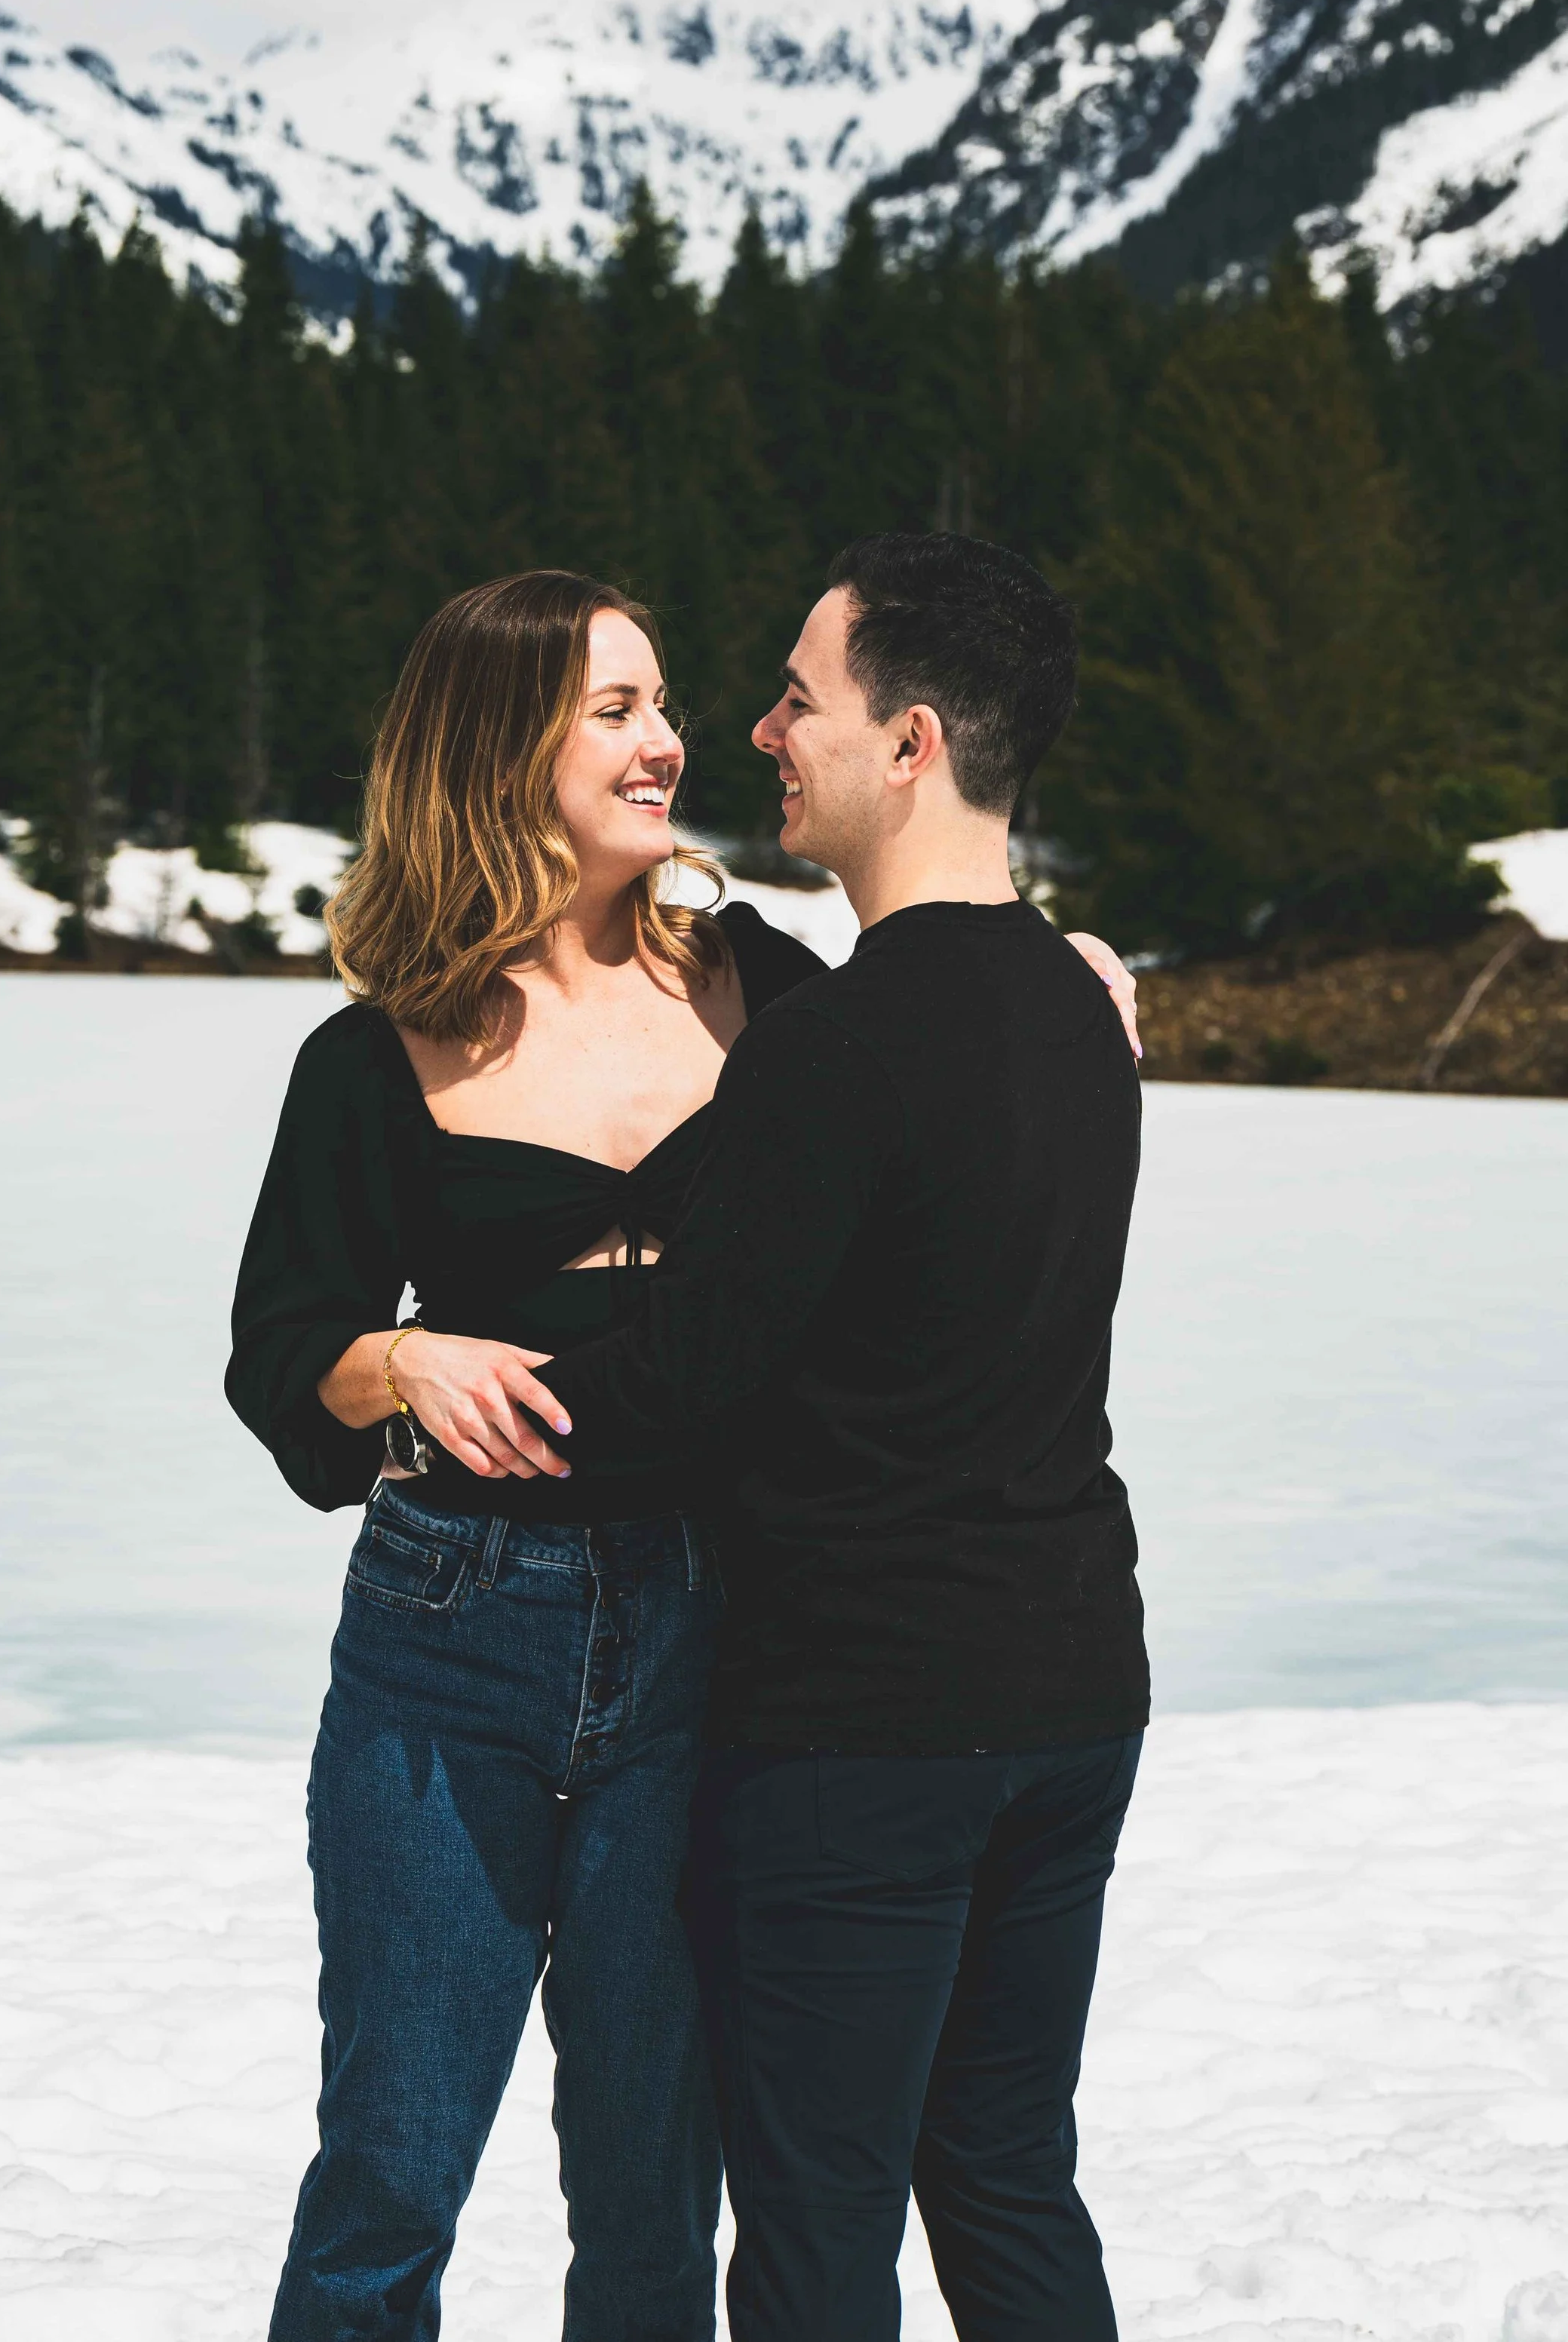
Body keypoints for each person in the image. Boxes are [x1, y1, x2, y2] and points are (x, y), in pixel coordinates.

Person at [225, 565, 1139, 2341]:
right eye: (618, 710)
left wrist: (1061, 971)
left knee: (655, 2185)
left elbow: (934, 1054)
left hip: (716, 1630)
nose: (673, 743)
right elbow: (280, 1358)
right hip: (456, 1629)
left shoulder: (764, 986)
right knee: (389, 2173)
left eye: (665, 701)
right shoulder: (376, 1048)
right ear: (501, 749)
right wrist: (391, 1355)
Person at [504, 533, 1153, 2342]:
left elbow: (684, 1389)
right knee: (1007, 2169)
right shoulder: (1076, 1011)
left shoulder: (840, 1043)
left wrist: (436, 1392)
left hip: (863, 1722)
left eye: (804, 692)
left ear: (911, 740)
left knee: (812, 2221)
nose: (765, 727)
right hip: (1069, 1691)